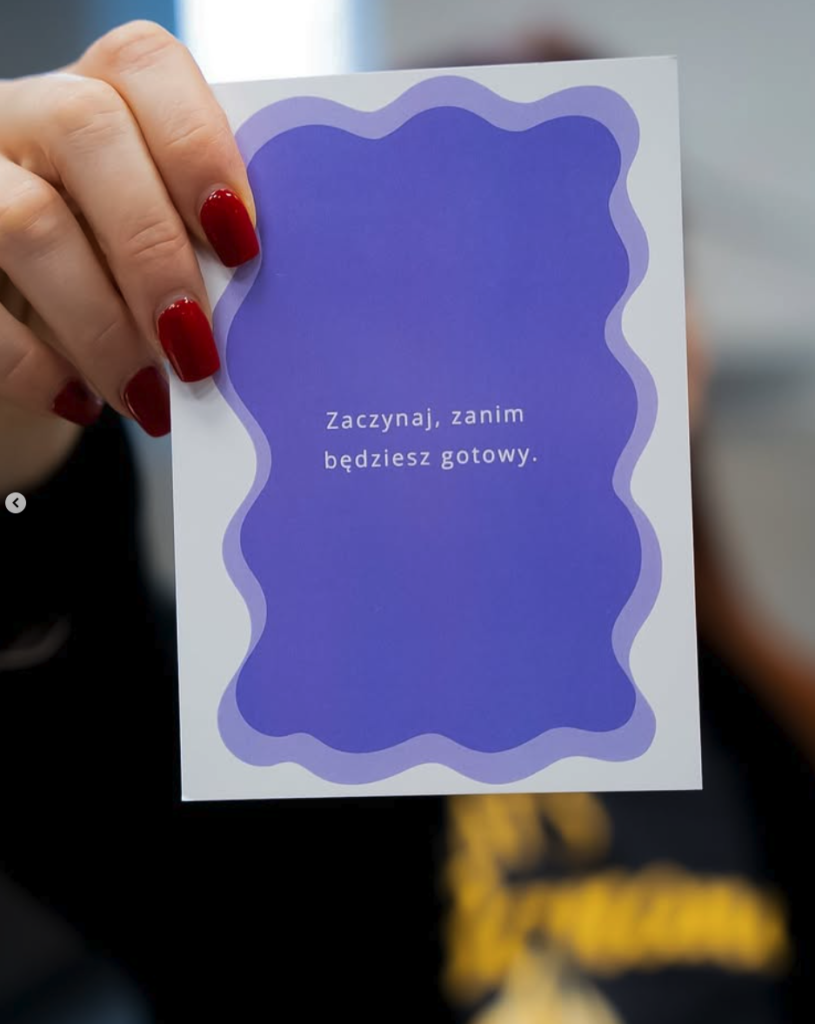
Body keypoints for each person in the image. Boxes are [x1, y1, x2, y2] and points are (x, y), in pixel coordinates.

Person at [1, 20, 814, 1023]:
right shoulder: (269, 741)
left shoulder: (770, 738)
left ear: (688, 342)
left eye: (574, 291)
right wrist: (22, 454)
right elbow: (62, 702)